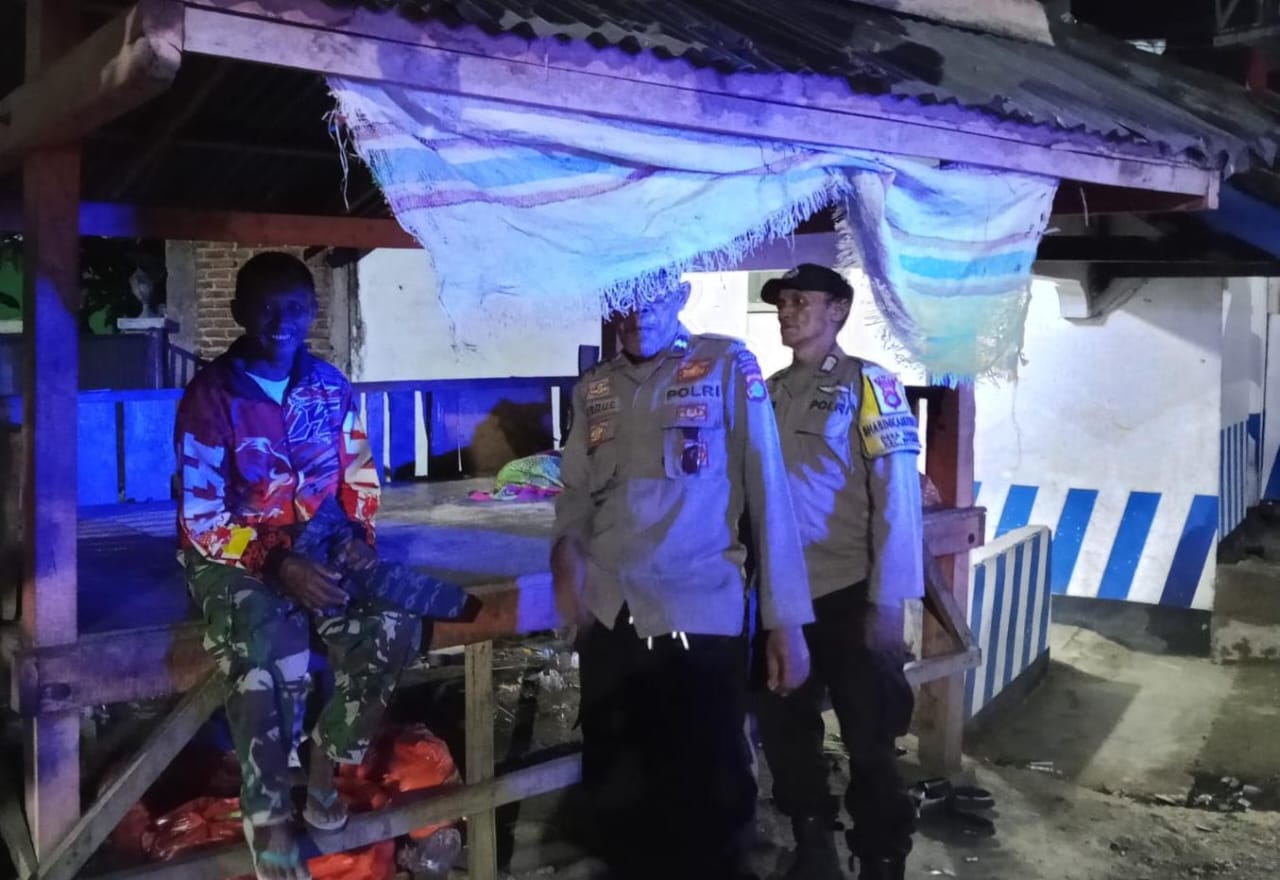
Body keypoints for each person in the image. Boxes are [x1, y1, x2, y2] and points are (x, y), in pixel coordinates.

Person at [552, 278, 814, 880]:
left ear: (681, 295)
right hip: (611, 616)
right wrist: (565, 555)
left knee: (707, 798)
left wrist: (786, 622)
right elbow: (574, 496)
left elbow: (768, 492)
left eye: (654, 292)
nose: (638, 310)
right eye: (625, 296)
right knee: (617, 793)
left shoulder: (727, 367)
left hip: (697, 617)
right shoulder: (594, 389)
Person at [176, 253, 421, 880]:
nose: (280, 320)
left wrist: (358, 536)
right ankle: (267, 813)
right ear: (238, 312)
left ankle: (323, 762)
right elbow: (202, 517)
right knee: (270, 640)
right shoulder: (212, 397)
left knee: (394, 625)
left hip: (320, 544)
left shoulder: (331, 387)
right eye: (264, 306)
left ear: (312, 311)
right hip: (231, 552)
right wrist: (275, 562)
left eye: (294, 307)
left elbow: (358, 477)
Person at [755, 264, 923, 880]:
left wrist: (890, 600)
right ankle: (813, 844)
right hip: (781, 600)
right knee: (785, 730)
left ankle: (881, 855)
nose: (787, 311)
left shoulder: (870, 386)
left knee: (870, 739)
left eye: (801, 301)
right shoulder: (766, 393)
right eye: (782, 303)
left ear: (839, 310)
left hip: (850, 595)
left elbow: (897, 498)